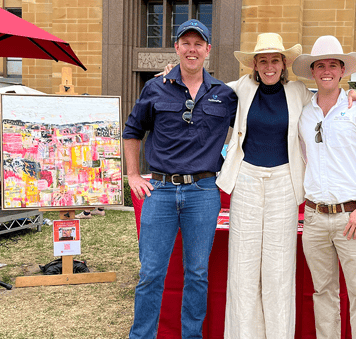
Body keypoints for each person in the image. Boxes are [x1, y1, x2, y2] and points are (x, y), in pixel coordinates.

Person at [159, 33, 356, 339]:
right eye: (263, 61)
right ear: (254, 65)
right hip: (246, 180)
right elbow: (201, 90)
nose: (269, 66)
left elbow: (328, 94)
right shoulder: (238, 89)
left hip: (285, 183)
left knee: (279, 269)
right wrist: (174, 73)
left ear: (284, 64)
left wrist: (354, 93)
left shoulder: (298, 91)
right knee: (243, 269)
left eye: (275, 60)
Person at [122, 19, 238, 339]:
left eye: (198, 44)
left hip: (203, 192)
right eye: (185, 43)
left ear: (208, 50)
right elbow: (132, 132)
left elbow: (262, 108)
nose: (192, 49)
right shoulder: (154, 87)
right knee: (151, 274)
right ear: (176, 48)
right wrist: (133, 174)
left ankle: (191, 335)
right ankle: (142, 335)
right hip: (159, 191)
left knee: (197, 274)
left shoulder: (224, 94)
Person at [293, 35, 356, 339]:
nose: (327, 70)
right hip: (315, 217)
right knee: (323, 292)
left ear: (343, 71)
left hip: (351, 216)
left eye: (334, 64)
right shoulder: (304, 112)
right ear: (313, 71)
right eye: (321, 65)